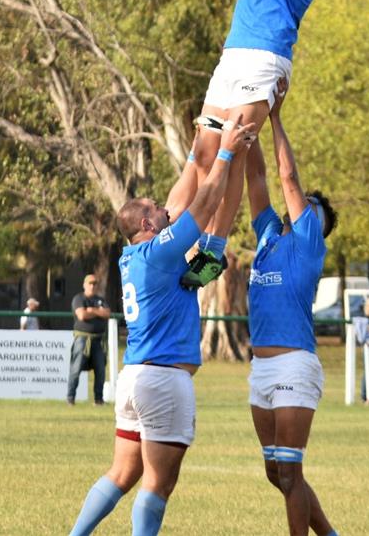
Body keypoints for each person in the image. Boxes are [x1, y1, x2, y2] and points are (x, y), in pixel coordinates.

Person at [67, 114, 256, 536]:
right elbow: (206, 203)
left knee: (122, 473)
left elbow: (181, 197)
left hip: (133, 376)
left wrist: (197, 149)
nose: (166, 210)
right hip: (164, 378)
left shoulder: (132, 256)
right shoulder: (157, 253)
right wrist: (225, 150)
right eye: (157, 211)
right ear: (148, 226)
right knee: (158, 483)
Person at [184, 0, 328, 285]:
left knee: (234, 151)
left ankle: (214, 250)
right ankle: (196, 237)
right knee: (205, 152)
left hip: (266, 60)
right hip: (232, 58)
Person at [243, 91, 340, 536]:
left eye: (315, 209)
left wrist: (276, 118)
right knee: (276, 473)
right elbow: (259, 176)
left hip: (293, 365)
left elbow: (286, 177)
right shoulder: (268, 235)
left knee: (288, 471)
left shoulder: (308, 245)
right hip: (260, 368)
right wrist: (248, 131)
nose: (306, 207)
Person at [68, 274, 112, 406]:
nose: (92, 286)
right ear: (84, 285)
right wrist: (98, 312)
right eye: (90, 283)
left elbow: (107, 313)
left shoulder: (100, 300)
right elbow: (81, 315)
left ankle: (99, 400)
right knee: (76, 369)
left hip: (98, 339)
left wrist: (92, 310)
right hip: (82, 339)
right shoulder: (79, 298)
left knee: (100, 370)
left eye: (94, 284)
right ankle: (71, 398)